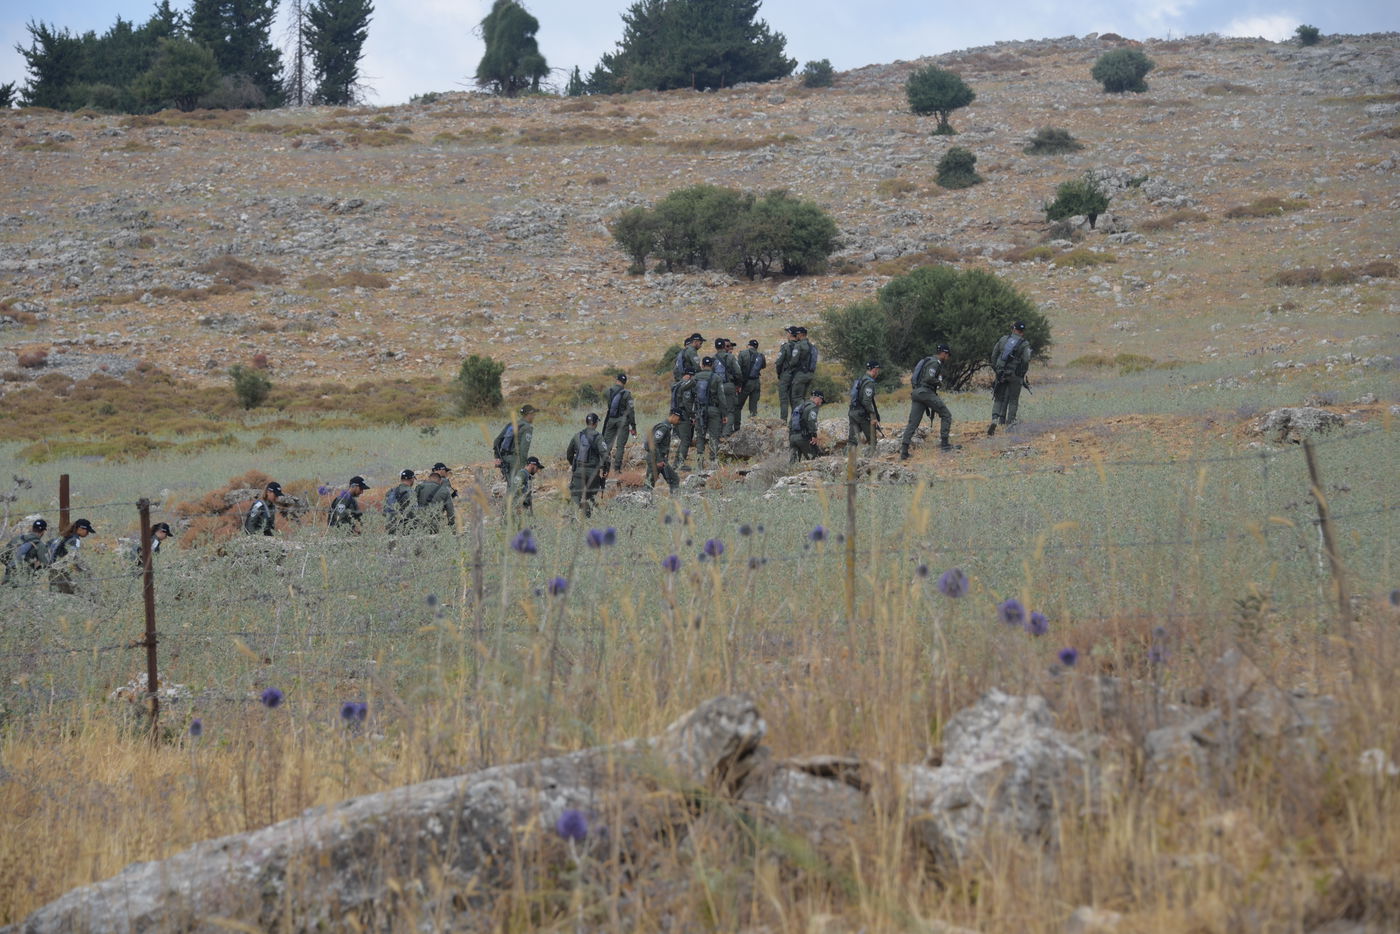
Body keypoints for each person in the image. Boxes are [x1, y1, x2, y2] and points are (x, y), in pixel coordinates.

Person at [902, 343, 958, 458]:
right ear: (943, 353)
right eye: (947, 355)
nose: (947, 357)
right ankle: (944, 444)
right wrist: (939, 382)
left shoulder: (929, 360)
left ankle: (904, 451)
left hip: (917, 393)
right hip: (925, 392)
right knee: (946, 414)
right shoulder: (935, 363)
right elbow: (929, 378)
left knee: (913, 423)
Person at [988, 321, 1033, 435]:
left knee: (998, 398)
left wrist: (997, 370)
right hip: (1015, 375)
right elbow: (1026, 359)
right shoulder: (1024, 344)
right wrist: (1022, 372)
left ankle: (994, 420)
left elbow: (994, 355)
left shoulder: (1003, 339)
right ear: (1022, 331)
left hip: (1001, 373)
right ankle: (1010, 424)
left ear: (1013, 329)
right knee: (1013, 400)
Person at [566, 413, 609, 517]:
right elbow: (605, 455)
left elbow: (569, 453)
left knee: (575, 496)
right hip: (593, 473)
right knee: (590, 497)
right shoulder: (598, 437)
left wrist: (575, 466)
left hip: (579, 471)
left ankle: (571, 520)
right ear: (595, 423)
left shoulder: (577, 436)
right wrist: (606, 470)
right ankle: (587, 519)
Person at [690, 356, 726, 470]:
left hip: (699, 411)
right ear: (712, 365)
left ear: (702, 365)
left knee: (700, 436)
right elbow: (721, 398)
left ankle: (700, 463)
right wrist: (724, 414)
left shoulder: (695, 377)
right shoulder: (716, 378)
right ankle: (713, 462)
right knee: (714, 436)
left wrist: (692, 414)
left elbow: (690, 397)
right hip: (713, 410)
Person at [48, 518, 95, 594]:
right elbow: (73, 557)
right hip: (62, 573)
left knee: (54, 595)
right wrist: (85, 571)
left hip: (53, 570)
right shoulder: (75, 540)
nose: (88, 533)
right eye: (87, 531)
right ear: (80, 528)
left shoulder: (63, 537)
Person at [600, 374, 636, 473]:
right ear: (625, 382)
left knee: (607, 444)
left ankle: (604, 467)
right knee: (620, 445)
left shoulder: (609, 391)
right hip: (623, 422)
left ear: (617, 380)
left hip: (611, 420)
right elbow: (631, 411)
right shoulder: (627, 394)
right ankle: (617, 468)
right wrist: (633, 426)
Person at [493, 404, 537, 482]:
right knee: (517, 486)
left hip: (505, 459)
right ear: (529, 415)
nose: (534, 416)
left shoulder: (512, 424)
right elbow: (523, 450)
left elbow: (497, 441)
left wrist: (498, 458)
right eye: (533, 414)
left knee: (511, 485)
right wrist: (525, 467)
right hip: (516, 461)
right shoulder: (527, 428)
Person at [848, 360, 883, 456]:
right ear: (874, 370)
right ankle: (872, 461)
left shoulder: (861, 378)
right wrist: (873, 416)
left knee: (853, 439)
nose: (878, 372)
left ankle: (850, 461)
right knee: (872, 439)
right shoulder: (869, 383)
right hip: (861, 414)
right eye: (877, 370)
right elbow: (866, 401)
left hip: (852, 412)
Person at [645, 409, 684, 493]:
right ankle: (643, 503)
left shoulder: (666, 427)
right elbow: (654, 444)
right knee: (649, 484)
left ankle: (674, 503)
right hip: (656, 459)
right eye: (679, 419)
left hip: (660, 459)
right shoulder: (663, 428)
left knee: (674, 479)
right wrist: (658, 460)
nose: (679, 421)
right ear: (674, 416)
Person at [3, 517, 49, 586]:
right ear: (43, 532)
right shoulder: (40, 545)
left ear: (32, 528)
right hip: (24, 581)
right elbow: (46, 564)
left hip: (8, 577)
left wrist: (11, 566)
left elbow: (3, 555)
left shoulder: (17, 538)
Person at [414, 462, 458, 534]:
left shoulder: (420, 485)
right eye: (445, 471)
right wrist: (452, 526)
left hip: (419, 520)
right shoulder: (444, 481)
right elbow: (450, 507)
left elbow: (413, 502)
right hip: (435, 520)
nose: (446, 473)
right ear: (441, 470)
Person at [736, 338, 766, 429]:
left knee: (738, 406)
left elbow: (738, 369)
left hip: (745, 383)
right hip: (756, 382)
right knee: (753, 407)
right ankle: (754, 427)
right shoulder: (761, 355)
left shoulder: (743, 354)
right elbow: (763, 366)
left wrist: (738, 384)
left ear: (749, 346)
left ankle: (737, 427)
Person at [714, 339, 742, 436]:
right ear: (724, 346)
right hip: (729, 385)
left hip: (717, 387)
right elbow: (738, 372)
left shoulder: (713, 359)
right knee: (730, 411)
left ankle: (719, 432)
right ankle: (726, 433)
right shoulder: (730, 357)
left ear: (715, 347)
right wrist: (738, 384)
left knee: (719, 410)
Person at [671, 371, 698, 470]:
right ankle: (680, 463)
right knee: (686, 440)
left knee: (683, 440)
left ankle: (676, 463)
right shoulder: (685, 386)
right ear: (689, 375)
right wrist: (692, 416)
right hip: (683, 415)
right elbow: (687, 402)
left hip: (675, 414)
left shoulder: (676, 385)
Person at [789, 390, 825, 462]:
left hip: (792, 437)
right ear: (818, 398)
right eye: (821, 400)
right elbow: (811, 421)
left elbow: (790, 423)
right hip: (803, 437)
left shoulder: (800, 406)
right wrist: (814, 436)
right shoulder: (813, 407)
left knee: (794, 463)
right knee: (816, 459)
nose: (821, 403)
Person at [382, 469, 416, 535]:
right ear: (412, 479)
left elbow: (384, 511)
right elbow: (413, 512)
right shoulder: (410, 492)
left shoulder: (390, 491)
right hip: (404, 527)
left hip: (390, 525)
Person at [775, 326, 798, 420]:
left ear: (790, 334)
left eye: (788, 332)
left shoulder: (786, 346)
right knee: (795, 400)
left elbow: (779, 362)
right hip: (797, 376)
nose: (787, 334)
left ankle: (783, 422)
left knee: (784, 400)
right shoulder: (800, 347)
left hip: (786, 375)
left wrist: (779, 374)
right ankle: (794, 422)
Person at [790, 326, 817, 405]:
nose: (796, 336)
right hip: (810, 374)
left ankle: (797, 417)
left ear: (801, 334)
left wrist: (790, 368)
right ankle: (804, 416)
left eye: (797, 334)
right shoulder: (811, 346)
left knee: (796, 398)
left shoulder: (799, 345)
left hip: (800, 375)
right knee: (804, 397)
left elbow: (794, 361)